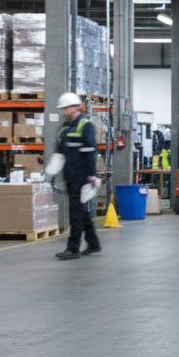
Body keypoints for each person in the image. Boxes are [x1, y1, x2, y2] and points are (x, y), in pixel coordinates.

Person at [54, 92, 101, 261]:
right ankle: (93, 243)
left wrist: (91, 177)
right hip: (69, 175)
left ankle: (73, 248)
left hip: (81, 176)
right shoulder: (64, 128)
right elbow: (60, 153)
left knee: (75, 213)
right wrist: (53, 172)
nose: (64, 111)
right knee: (80, 211)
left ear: (76, 107)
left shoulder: (85, 125)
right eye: (62, 108)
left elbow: (90, 153)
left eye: (66, 108)